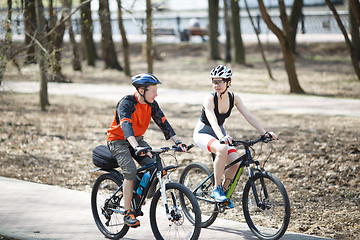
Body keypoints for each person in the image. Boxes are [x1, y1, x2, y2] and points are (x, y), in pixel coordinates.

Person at [107, 73, 187, 228]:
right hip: (118, 141)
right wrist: (135, 146)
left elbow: (163, 122)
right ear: (142, 90)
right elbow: (126, 126)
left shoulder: (152, 104)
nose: (156, 94)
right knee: (130, 171)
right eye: (153, 90)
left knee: (155, 166)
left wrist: (178, 142)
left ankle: (139, 197)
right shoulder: (127, 103)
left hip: (137, 140)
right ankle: (127, 212)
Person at [193, 65, 277, 207]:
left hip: (220, 135)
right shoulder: (209, 98)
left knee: (236, 162)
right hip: (203, 133)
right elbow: (212, 120)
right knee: (222, 149)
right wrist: (221, 137)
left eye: (220, 82)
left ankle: (224, 195)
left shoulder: (234, 98)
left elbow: (249, 116)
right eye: (214, 82)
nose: (216, 85)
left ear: (228, 82)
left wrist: (264, 132)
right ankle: (216, 189)